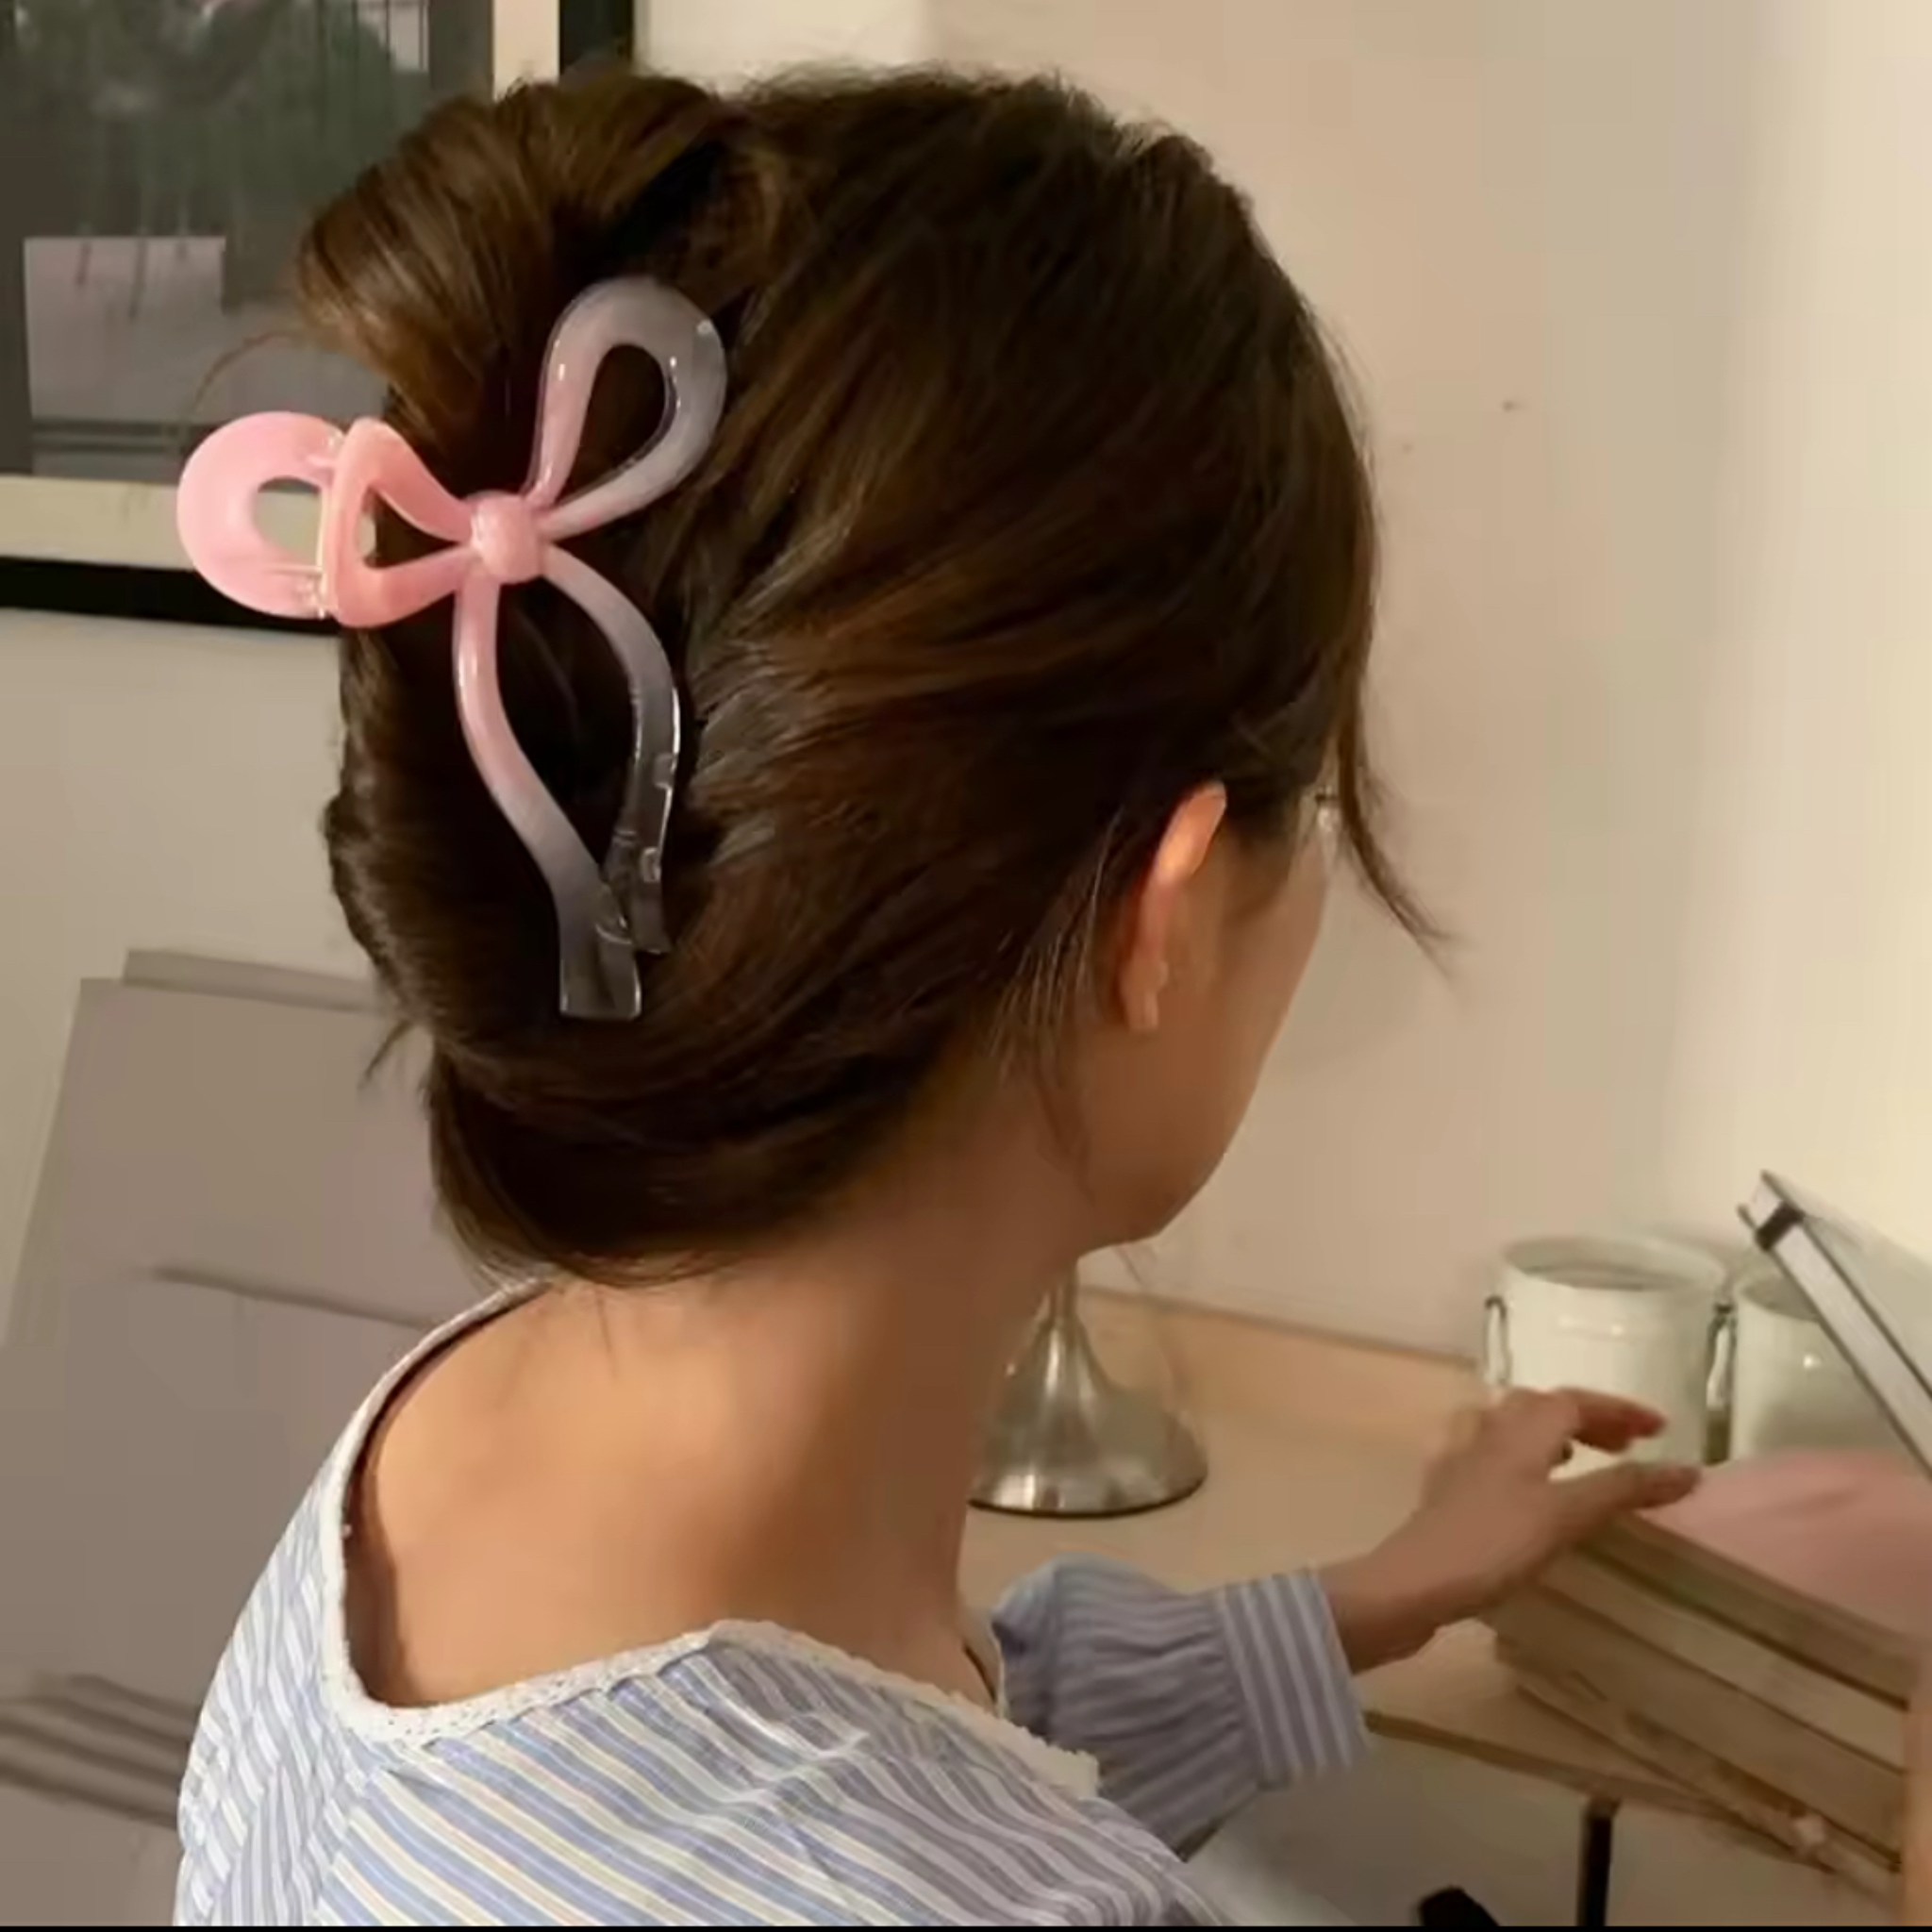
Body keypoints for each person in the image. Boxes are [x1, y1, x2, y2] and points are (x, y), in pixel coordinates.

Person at [171, 65, 1701, 1925]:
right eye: (1307, 812)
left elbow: (901, 1739)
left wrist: (1370, 1597)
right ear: (1162, 914)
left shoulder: (435, 1461)